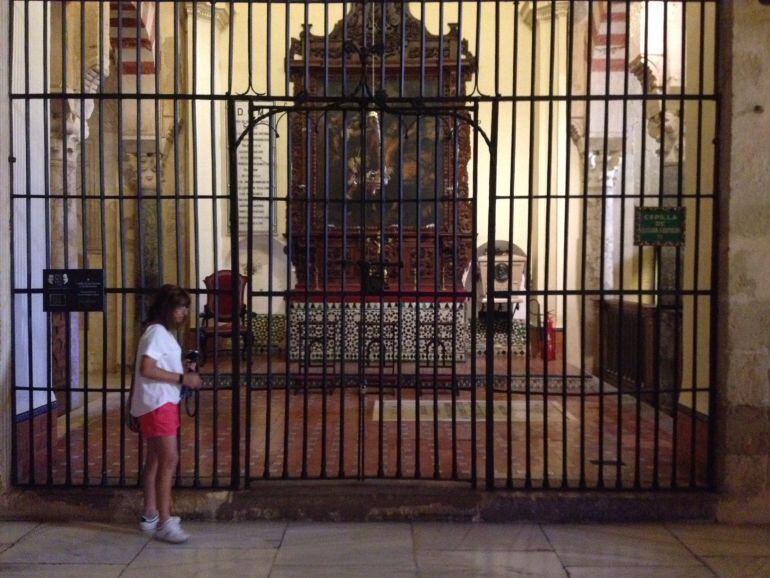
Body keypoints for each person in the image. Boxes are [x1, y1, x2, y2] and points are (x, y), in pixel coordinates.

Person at [128, 284, 202, 543]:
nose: (182, 312)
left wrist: (182, 366)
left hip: (157, 402)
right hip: (158, 404)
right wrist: (184, 378)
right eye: (178, 307)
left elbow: (157, 366)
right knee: (170, 459)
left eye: (185, 307)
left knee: (155, 461)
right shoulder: (157, 333)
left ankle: (150, 514)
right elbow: (147, 369)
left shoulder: (159, 333)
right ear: (165, 308)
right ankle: (164, 521)